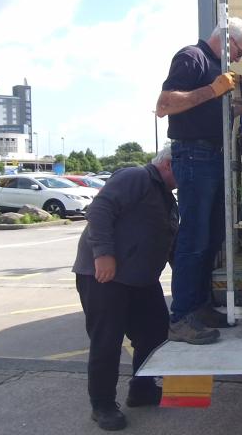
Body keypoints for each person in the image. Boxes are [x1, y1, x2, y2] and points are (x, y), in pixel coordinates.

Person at [155, 17, 242, 343]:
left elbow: (210, 112)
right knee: (194, 239)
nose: (239, 58)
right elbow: (164, 105)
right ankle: (181, 317)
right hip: (194, 156)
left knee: (211, 237)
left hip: (212, 155)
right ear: (227, 40)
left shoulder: (215, 66)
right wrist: (213, 89)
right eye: (240, 51)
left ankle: (201, 306)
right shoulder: (191, 58)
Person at [73, 146, 179, 431]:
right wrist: (103, 253)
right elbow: (100, 209)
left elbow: (169, 243)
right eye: (186, 165)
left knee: (155, 330)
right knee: (106, 341)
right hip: (105, 276)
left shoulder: (168, 199)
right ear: (169, 164)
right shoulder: (136, 177)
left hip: (141, 280)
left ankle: (142, 389)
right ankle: (102, 405)